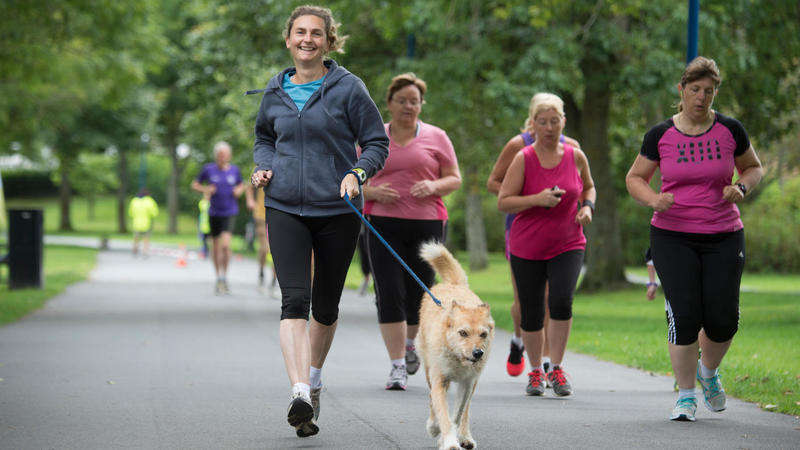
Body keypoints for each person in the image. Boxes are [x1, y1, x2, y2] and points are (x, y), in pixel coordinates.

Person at [249, 5, 388, 438]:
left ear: (329, 41)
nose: (307, 39)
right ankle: (300, 391)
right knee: (294, 301)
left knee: (326, 306)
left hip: (337, 209)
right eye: (299, 33)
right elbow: (264, 139)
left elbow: (376, 143)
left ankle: (315, 377)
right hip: (285, 205)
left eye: (316, 33)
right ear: (288, 40)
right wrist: (264, 166)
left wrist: (356, 172)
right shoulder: (274, 93)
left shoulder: (349, 89)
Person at [625, 56, 762, 422]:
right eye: (695, 90)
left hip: (723, 234)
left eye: (709, 91)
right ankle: (686, 395)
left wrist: (742, 187)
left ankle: (708, 373)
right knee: (684, 315)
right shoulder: (660, 135)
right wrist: (654, 199)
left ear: (715, 93)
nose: (701, 98)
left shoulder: (731, 130)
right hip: (672, 235)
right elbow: (635, 178)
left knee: (723, 319)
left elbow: (754, 166)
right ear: (681, 90)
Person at [362, 73, 462, 391]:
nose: (408, 106)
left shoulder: (437, 137)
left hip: (427, 224)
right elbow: (352, 178)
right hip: (381, 225)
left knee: (419, 294)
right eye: (402, 100)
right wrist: (372, 192)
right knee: (388, 292)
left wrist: (434, 185)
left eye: (414, 101)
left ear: (421, 105)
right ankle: (396, 367)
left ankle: (409, 346)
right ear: (389, 103)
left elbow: (454, 178)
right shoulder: (372, 137)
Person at [497, 92, 596, 397]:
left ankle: (557, 367)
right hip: (527, 245)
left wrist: (587, 207)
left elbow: (589, 186)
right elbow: (504, 201)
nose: (550, 128)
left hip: (568, 241)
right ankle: (536, 370)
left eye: (555, 121)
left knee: (562, 302)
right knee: (531, 311)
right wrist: (536, 200)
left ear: (563, 122)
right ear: (533, 125)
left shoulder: (575, 155)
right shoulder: (522, 157)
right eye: (543, 122)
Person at [191, 141, 245, 295]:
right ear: (216, 156)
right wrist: (206, 189)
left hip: (229, 211)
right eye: (220, 155)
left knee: (226, 246)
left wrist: (238, 190)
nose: (223, 157)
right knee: (215, 246)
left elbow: (242, 185)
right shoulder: (208, 169)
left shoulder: (234, 170)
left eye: (225, 155)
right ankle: (218, 277)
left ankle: (225, 276)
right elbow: (194, 184)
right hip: (214, 212)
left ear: (229, 156)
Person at [246, 179, 277, 297]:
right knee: (265, 249)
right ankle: (261, 273)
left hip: (278, 214)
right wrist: (250, 200)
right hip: (260, 214)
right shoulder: (263, 164)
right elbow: (249, 186)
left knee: (277, 250)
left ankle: (273, 282)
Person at [128, 188, 159, 257]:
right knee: (146, 237)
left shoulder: (134, 201)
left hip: (136, 223)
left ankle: (135, 249)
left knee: (136, 237)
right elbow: (155, 213)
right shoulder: (149, 201)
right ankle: (145, 251)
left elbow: (130, 213)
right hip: (146, 223)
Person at [197, 191, 211, 259]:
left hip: (211, 225)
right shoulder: (202, 203)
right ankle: (204, 252)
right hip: (204, 225)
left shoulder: (213, 203)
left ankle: (210, 251)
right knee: (203, 240)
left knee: (211, 240)